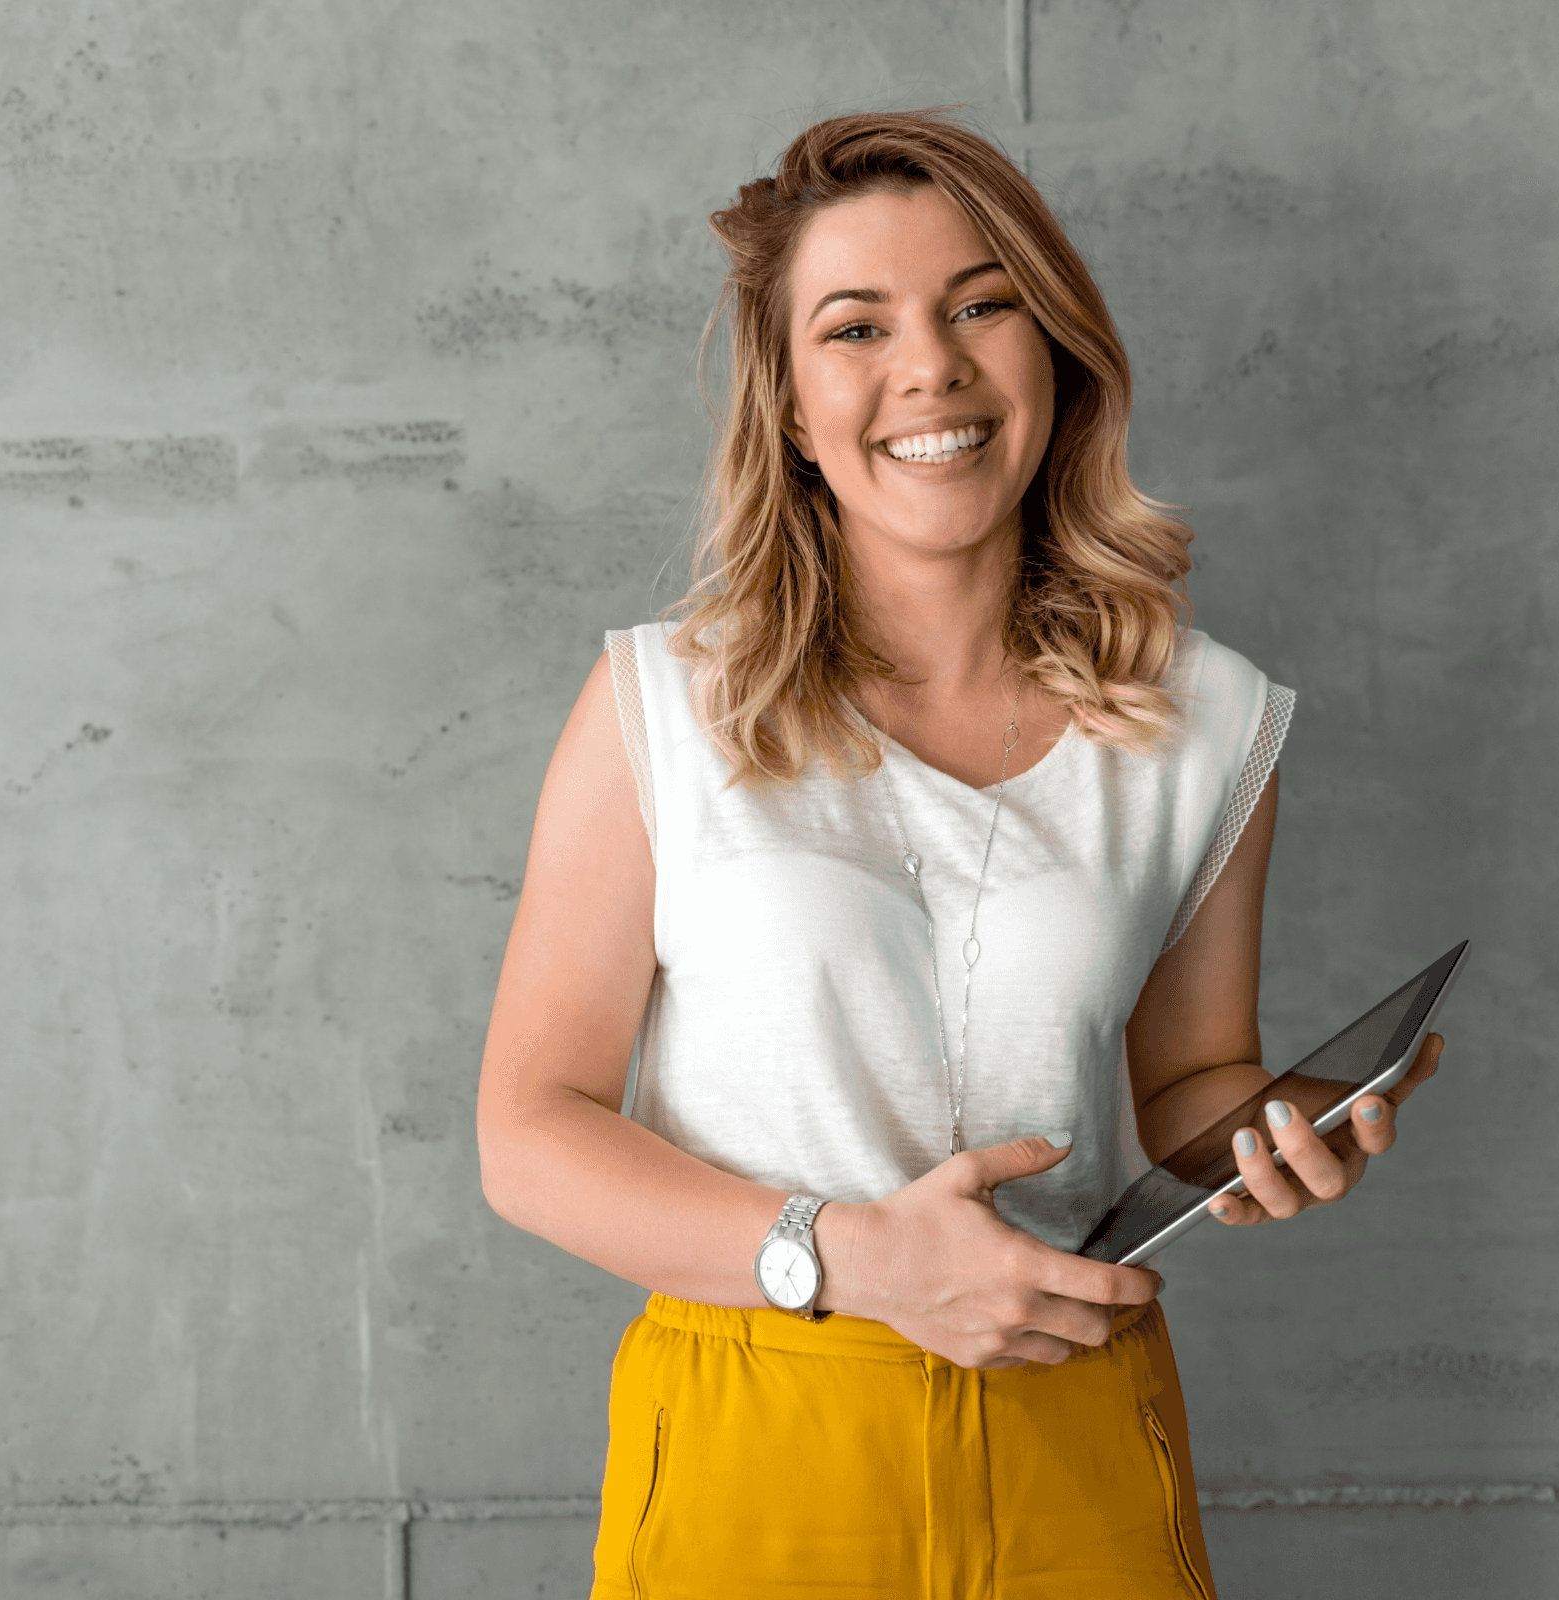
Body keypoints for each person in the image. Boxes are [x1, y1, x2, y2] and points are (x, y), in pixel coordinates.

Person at [475, 109, 1442, 1600]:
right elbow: (529, 1132)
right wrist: (844, 1258)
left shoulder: (1208, 721)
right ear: (793, 408)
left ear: (1055, 352)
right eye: (855, 327)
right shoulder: (661, 706)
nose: (929, 366)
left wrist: (1274, 1133)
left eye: (982, 304)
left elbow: (1187, 1089)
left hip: (1079, 1434)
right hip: (757, 1423)